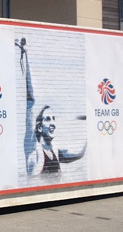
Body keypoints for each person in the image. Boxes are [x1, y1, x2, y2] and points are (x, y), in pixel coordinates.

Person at [16, 38, 86, 176]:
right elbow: (31, 99)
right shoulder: (33, 150)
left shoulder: (56, 151)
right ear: (40, 127)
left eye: (54, 118)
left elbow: (79, 154)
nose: (53, 122)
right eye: (48, 119)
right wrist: (26, 54)